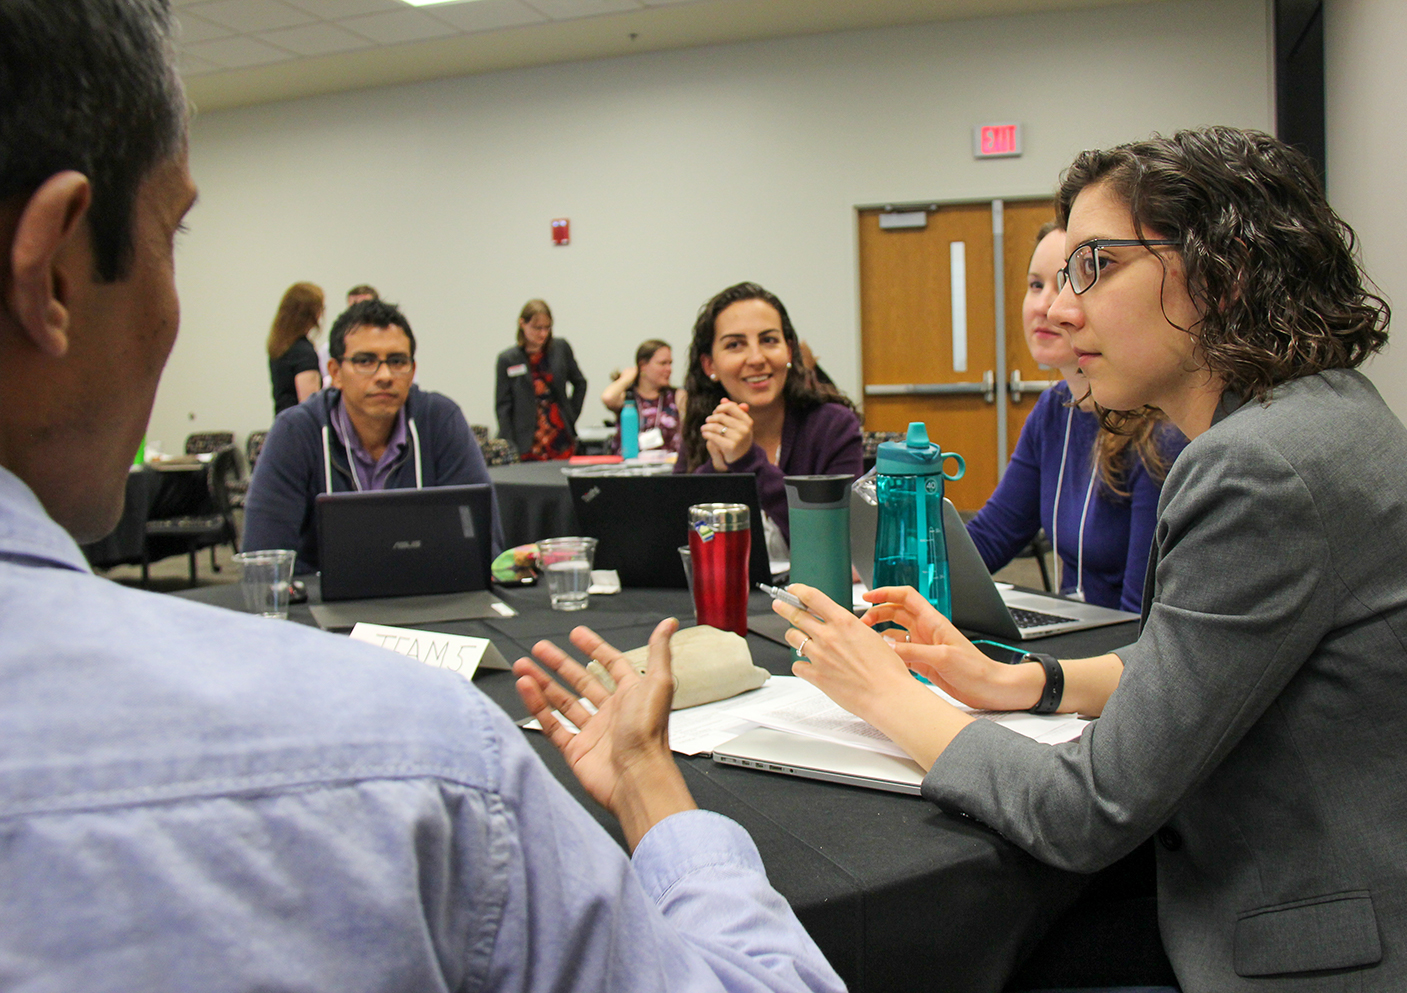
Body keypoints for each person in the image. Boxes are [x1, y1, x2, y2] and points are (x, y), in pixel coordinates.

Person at [0, 4, 846, 990]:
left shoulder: (446, 429)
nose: (384, 378)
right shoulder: (423, 771)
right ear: (56, 270)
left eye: (399, 361)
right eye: (173, 233)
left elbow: (477, 537)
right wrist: (657, 794)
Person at [771, 127, 1407, 991]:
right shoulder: (1315, 417)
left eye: (1096, 266)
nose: (1061, 309)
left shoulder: (1257, 466)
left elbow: (1087, 811)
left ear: (1224, 274)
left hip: (1355, 947)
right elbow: (1201, 654)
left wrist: (889, 698)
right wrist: (1023, 680)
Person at [965, 223, 1185, 611]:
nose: (1046, 306)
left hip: (1115, 656)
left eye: (1070, 282)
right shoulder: (1054, 409)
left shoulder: (1159, 434)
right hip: (1078, 637)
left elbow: (1141, 617)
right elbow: (991, 538)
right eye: (1036, 285)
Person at [244, 298, 501, 571]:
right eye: (365, 361)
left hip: (428, 599)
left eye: (397, 361)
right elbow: (264, 560)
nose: (385, 375)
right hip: (323, 605)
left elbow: (485, 546)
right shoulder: (296, 433)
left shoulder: (440, 421)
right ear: (335, 372)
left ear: (412, 370)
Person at [675, 282, 862, 552]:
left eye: (768, 340)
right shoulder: (705, 427)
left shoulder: (834, 426)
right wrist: (715, 474)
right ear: (710, 365)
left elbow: (836, 540)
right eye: (735, 344)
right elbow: (684, 538)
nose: (756, 357)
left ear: (788, 351)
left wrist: (747, 461)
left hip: (811, 591)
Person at [495, 298, 587, 460]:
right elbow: (503, 406)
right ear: (522, 324)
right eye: (537, 328)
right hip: (527, 440)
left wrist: (571, 415)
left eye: (547, 328)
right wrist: (509, 443)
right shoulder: (508, 359)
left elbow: (580, 383)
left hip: (560, 436)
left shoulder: (560, 348)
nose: (543, 333)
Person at [600, 338, 686, 454]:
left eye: (670, 363)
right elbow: (608, 398)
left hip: (666, 465)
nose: (669, 369)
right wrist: (627, 378)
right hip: (629, 466)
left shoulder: (677, 396)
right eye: (662, 363)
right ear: (643, 366)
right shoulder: (627, 397)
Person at [266, 281, 325, 415]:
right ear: (313, 313)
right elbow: (310, 405)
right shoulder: (304, 352)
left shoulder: (280, 346)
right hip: (299, 430)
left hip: (282, 423)